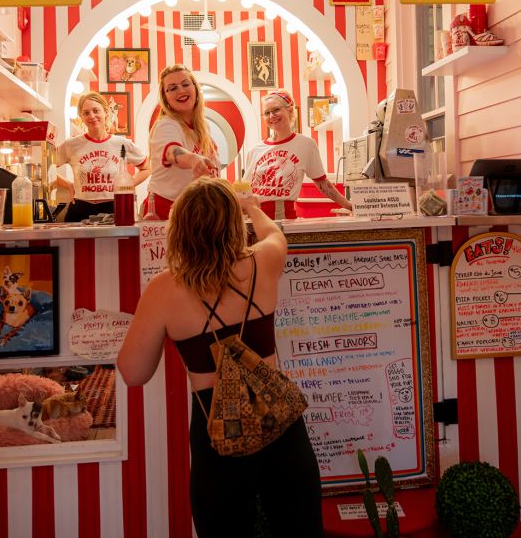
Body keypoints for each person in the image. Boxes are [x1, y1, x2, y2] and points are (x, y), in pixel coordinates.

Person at [117, 178, 323, 536]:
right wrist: (252, 206)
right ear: (232, 226)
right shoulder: (264, 261)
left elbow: (134, 373)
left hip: (217, 437)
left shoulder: (164, 289)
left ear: (178, 231)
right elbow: (275, 234)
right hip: (281, 425)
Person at [243, 89, 351, 220]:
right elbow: (245, 191)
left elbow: (323, 184)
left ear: (289, 110)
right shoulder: (255, 150)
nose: (271, 116)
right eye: (267, 113)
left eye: (276, 110)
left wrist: (350, 206)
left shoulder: (306, 144)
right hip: (254, 220)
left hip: (284, 220)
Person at [54, 92, 149, 222]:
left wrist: (127, 184)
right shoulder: (71, 144)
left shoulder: (122, 144)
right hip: (80, 209)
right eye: (86, 113)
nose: (92, 116)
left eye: (96, 110)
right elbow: (46, 167)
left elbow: (147, 167)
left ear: (106, 113)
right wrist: (68, 184)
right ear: (81, 117)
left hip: (113, 208)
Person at [142, 64, 221, 219]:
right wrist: (193, 159)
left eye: (185, 84)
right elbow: (173, 152)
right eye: (172, 88)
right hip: (165, 211)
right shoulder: (167, 125)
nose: (181, 90)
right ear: (165, 98)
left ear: (196, 89)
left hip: (195, 208)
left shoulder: (203, 128)